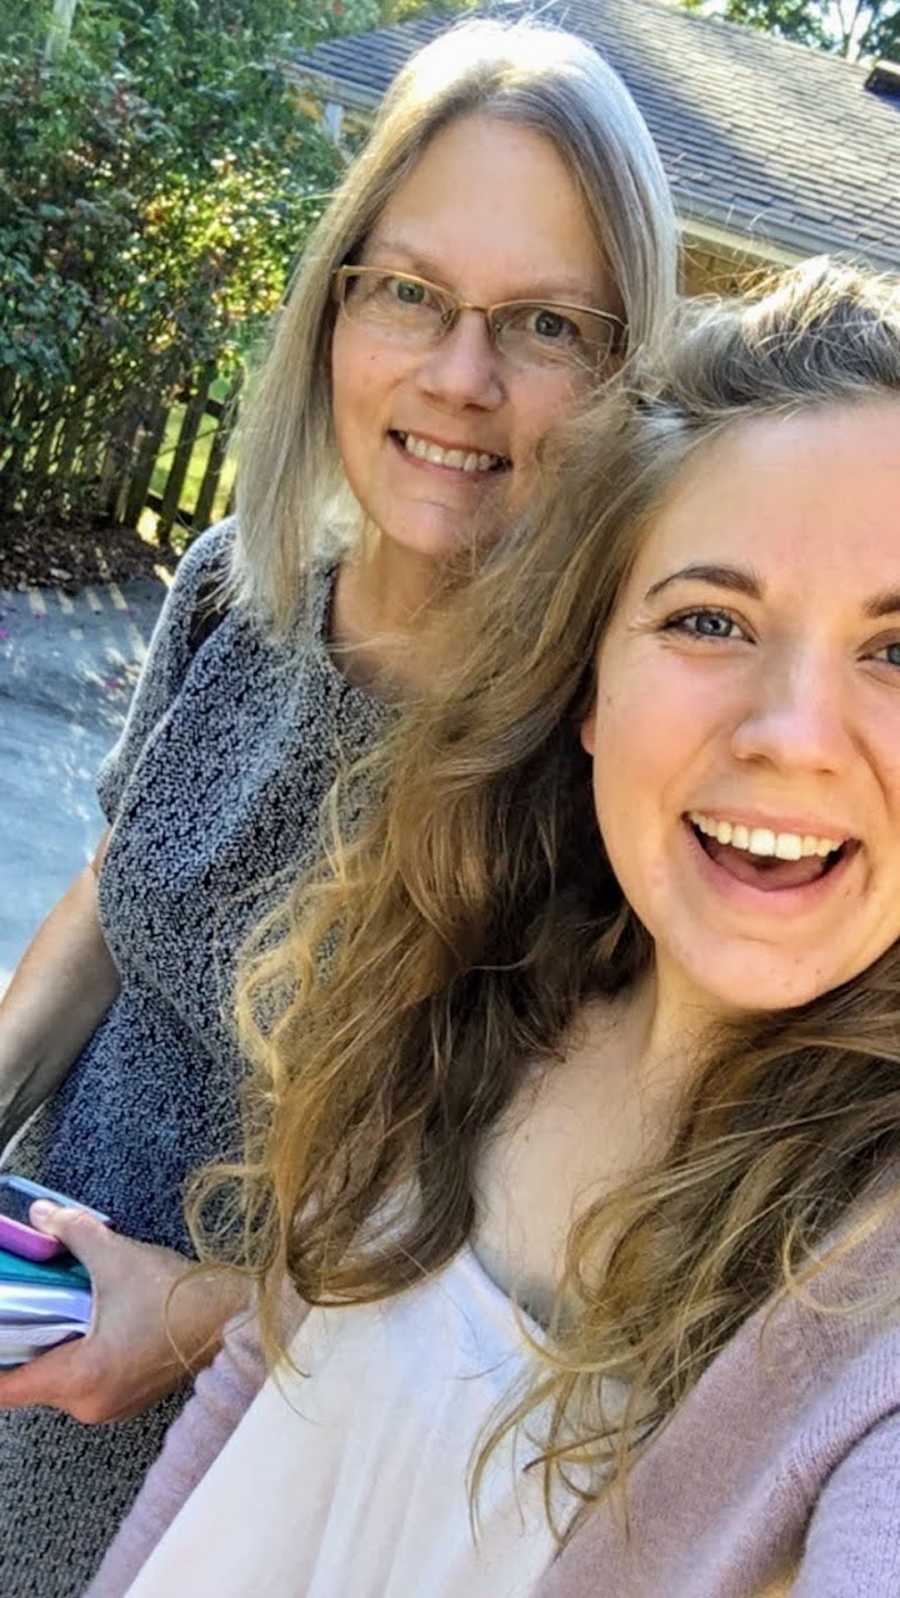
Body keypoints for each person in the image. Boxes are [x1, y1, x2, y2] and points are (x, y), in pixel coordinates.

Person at [89, 259, 900, 1596]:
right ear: (589, 686)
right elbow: (259, 1398)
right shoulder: (471, 986)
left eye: (896, 649)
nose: (792, 737)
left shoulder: (861, 1308)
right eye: (710, 618)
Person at [0, 17, 677, 1596]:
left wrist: (194, 1315)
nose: (461, 375)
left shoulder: (592, 779)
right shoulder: (235, 597)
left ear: (628, 369)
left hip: (252, 1463)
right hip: (36, 1302)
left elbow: (519, 1302)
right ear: (335, 305)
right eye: (414, 294)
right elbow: (110, 903)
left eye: (547, 326)